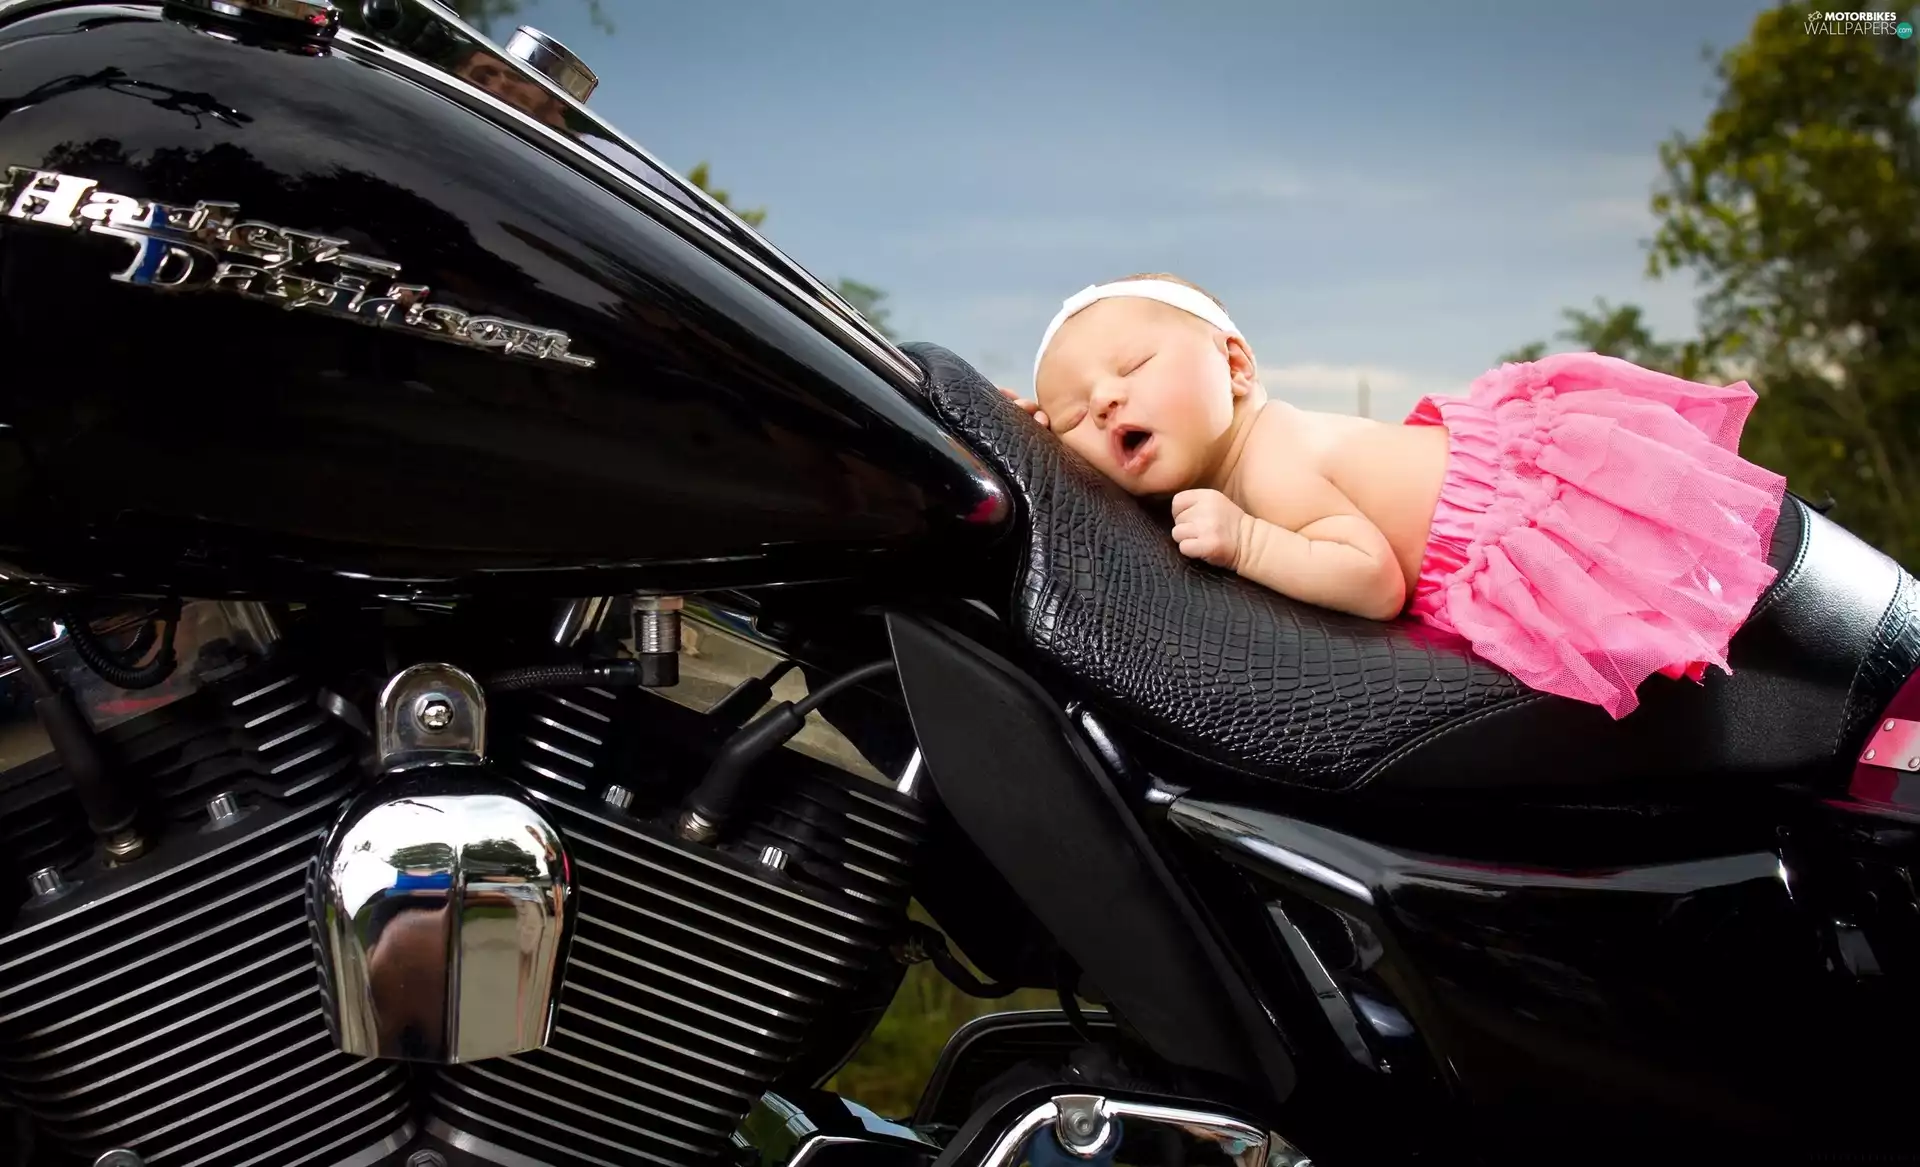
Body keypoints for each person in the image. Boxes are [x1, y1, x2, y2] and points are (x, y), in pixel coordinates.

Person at [1006, 274, 1787, 719]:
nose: (1104, 402)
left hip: (1517, 518)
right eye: (1074, 413)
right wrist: (1037, 439)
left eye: (1133, 364)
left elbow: (1372, 579)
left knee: (1678, 637)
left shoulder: (1270, 460)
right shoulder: (1229, 465)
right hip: (1487, 505)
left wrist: (1249, 542)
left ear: (1236, 366)